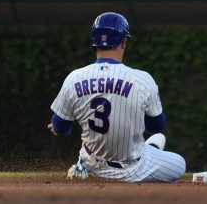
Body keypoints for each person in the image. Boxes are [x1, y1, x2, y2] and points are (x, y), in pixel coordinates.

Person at [48, 12, 186, 182]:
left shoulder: (74, 78)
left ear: (94, 43)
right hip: (133, 170)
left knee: (98, 152)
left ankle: (82, 167)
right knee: (179, 164)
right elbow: (156, 126)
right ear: (123, 42)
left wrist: (56, 126)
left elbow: (61, 129)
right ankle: (149, 149)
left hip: (91, 162)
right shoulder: (142, 79)